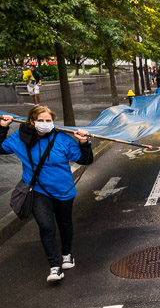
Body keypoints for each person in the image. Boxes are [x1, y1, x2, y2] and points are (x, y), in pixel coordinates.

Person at [0, 107, 92, 282]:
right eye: (40, 121)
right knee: (46, 226)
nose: (44, 124)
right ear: (32, 122)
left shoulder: (63, 139)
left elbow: (85, 160)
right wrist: (3, 127)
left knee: (64, 223)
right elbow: (1, 148)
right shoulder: (20, 139)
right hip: (37, 191)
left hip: (63, 190)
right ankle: (55, 267)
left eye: (48, 120)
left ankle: (66, 254)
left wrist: (83, 143)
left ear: (53, 121)